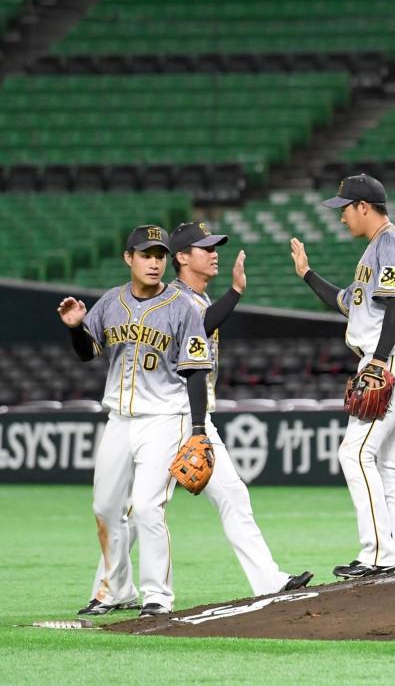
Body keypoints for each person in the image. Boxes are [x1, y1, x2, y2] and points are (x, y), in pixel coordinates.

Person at [82, 222, 313, 603]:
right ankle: (108, 591)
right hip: (168, 416)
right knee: (138, 510)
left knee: (228, 497)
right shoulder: (173, 298)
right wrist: (236, 292)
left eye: (215, 246)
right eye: (205, 248)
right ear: (183, 258)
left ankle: (269, 580)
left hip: (193, 417)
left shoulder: (197, 298)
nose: (214, 253)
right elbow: (202, 326)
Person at [59, 225, 212, 618]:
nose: (155, 262)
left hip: (165, 417)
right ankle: (115, 591)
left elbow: (195, 370)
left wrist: (197, 431)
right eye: (146, 255)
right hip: (119, 419)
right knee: (106, 507)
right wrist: (77, 327)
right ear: (129, 258)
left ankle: (157, 595)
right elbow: (86, 353)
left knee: (146, 506)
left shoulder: (182, 307)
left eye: (160, 255)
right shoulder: (111, 302)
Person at [291, 174, 395, 578]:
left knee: (354, 452)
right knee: (393, 465)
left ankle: (378, 553)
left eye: (345, 209)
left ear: (364, 207)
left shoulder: (392, 241)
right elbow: (347, 302)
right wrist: (306, 274)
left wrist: (379, 360)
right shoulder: (376, 251)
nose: (342, 219)